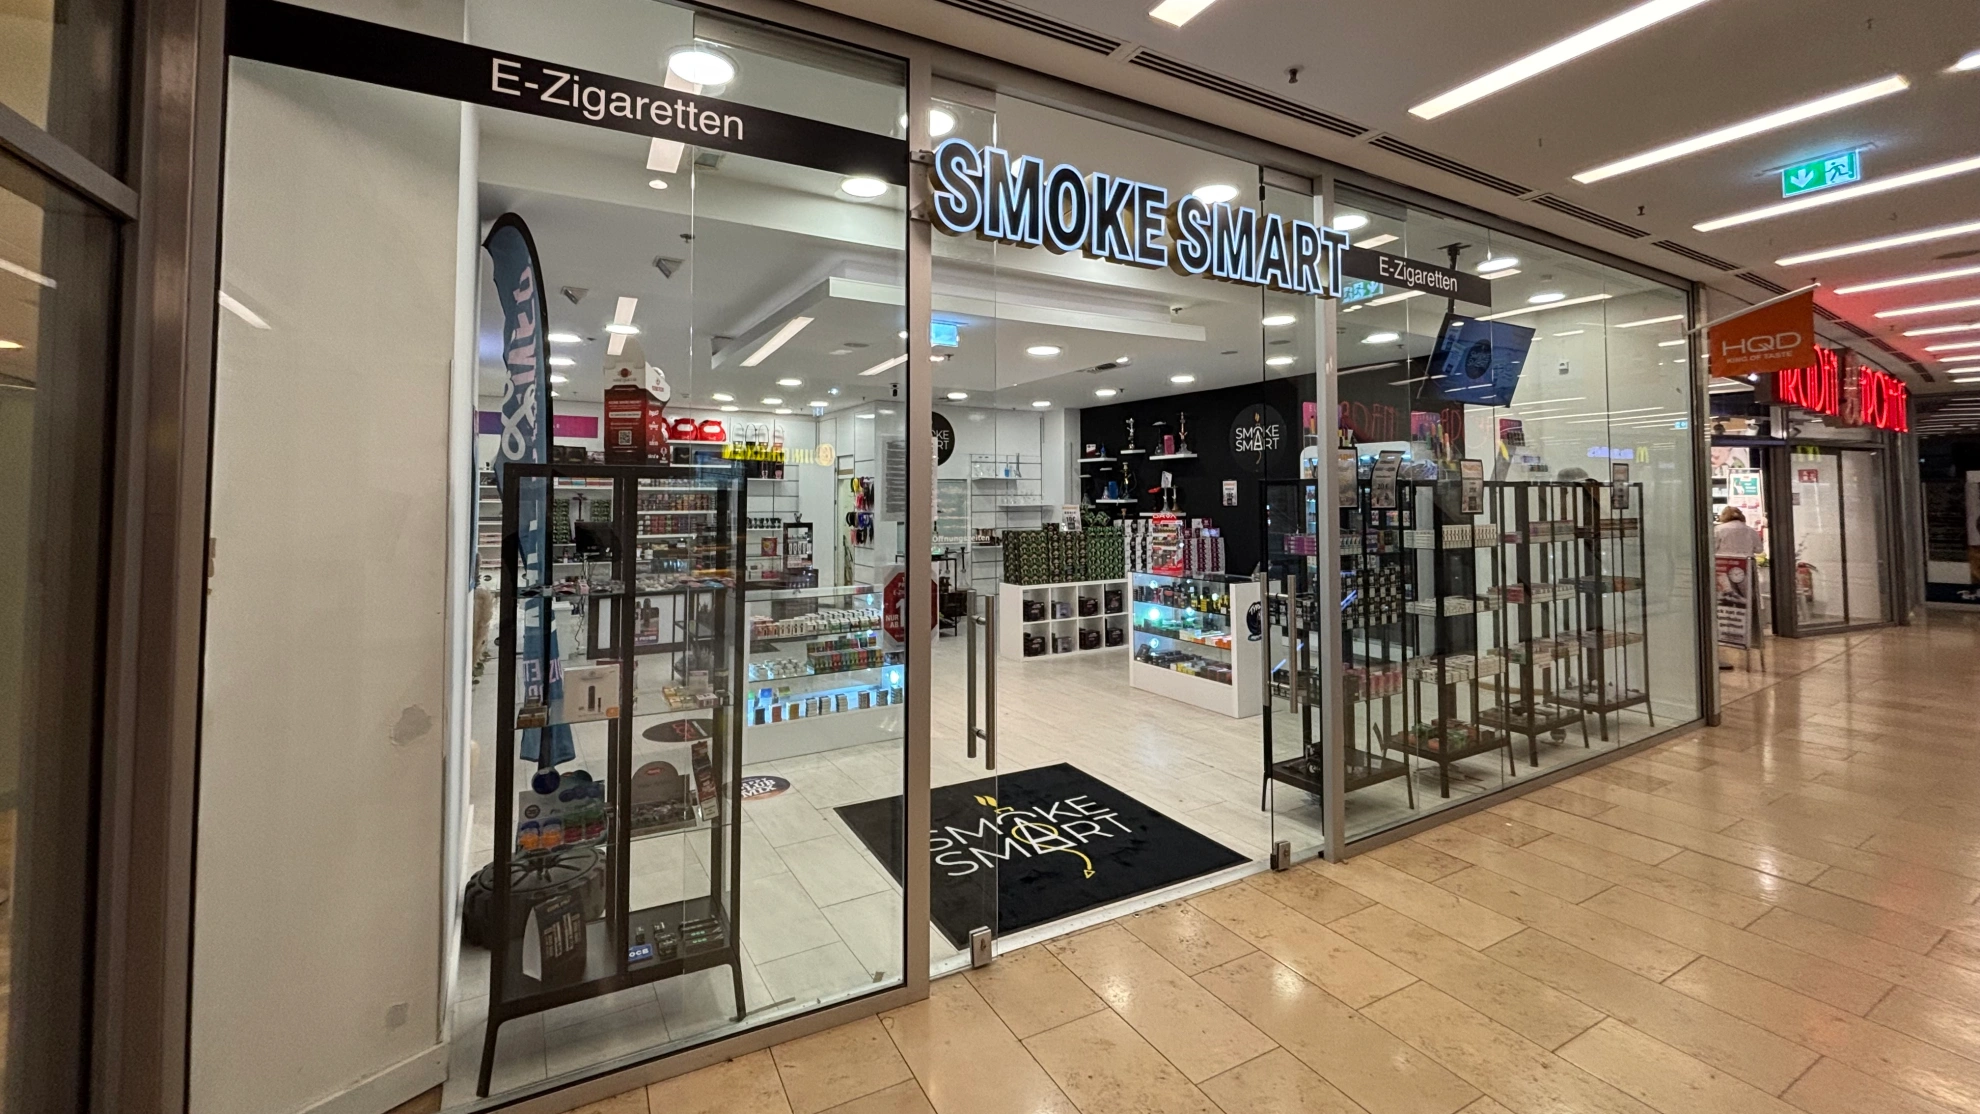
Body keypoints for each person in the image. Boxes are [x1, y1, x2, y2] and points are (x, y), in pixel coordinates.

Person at [1714, 507, 1762, 671]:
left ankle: (1724, 636)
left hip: (1722, 569)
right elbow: (1759, 549)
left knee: (1723, 604)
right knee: (1745, 603)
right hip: (1745, 571)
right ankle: (1745, 637)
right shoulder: (1750, 530)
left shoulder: (1719, 530)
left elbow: (1712, 548)